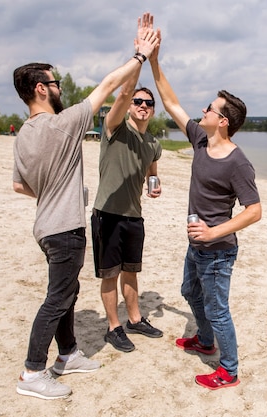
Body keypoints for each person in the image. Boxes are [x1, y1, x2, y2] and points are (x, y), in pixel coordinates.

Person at [11, 13, 158, 400]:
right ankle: (31, 373)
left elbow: (19, 185)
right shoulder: (63, 124)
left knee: (68, 293)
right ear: (42, 89)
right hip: (64, 228)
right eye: (55, 83)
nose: (59, 89)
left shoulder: (24, 135)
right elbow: (109, 86)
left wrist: (55, 191)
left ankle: (68, 354)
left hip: (46, 225)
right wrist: (141, 55)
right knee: (58, 298)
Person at [149, 32, 262, 390]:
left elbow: (255, 210)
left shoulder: (237, 162)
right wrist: (153, 59)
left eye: (210, 109)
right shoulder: (199, 139)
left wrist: (215, 232)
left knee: (217, 309)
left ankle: (228, 370)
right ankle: (206, 340)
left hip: (218, 251)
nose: (203, 111)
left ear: (223, 121)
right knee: (189, 292)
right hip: (196, 244)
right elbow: (171, 102)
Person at [92, 76, 164, 351]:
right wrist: (141, 59)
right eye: (138, 101)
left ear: (153, 110)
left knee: (131, 272)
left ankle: (134, 319)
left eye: (148, 102)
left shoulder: (153, 144)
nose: (143, 105)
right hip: (108, 213)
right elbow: (121, 96)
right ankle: (114, 327)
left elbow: (152, 174)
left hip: (134, 215)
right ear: (130, 105)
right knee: (110, 274)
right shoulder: (116, 128)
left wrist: (153, 186)